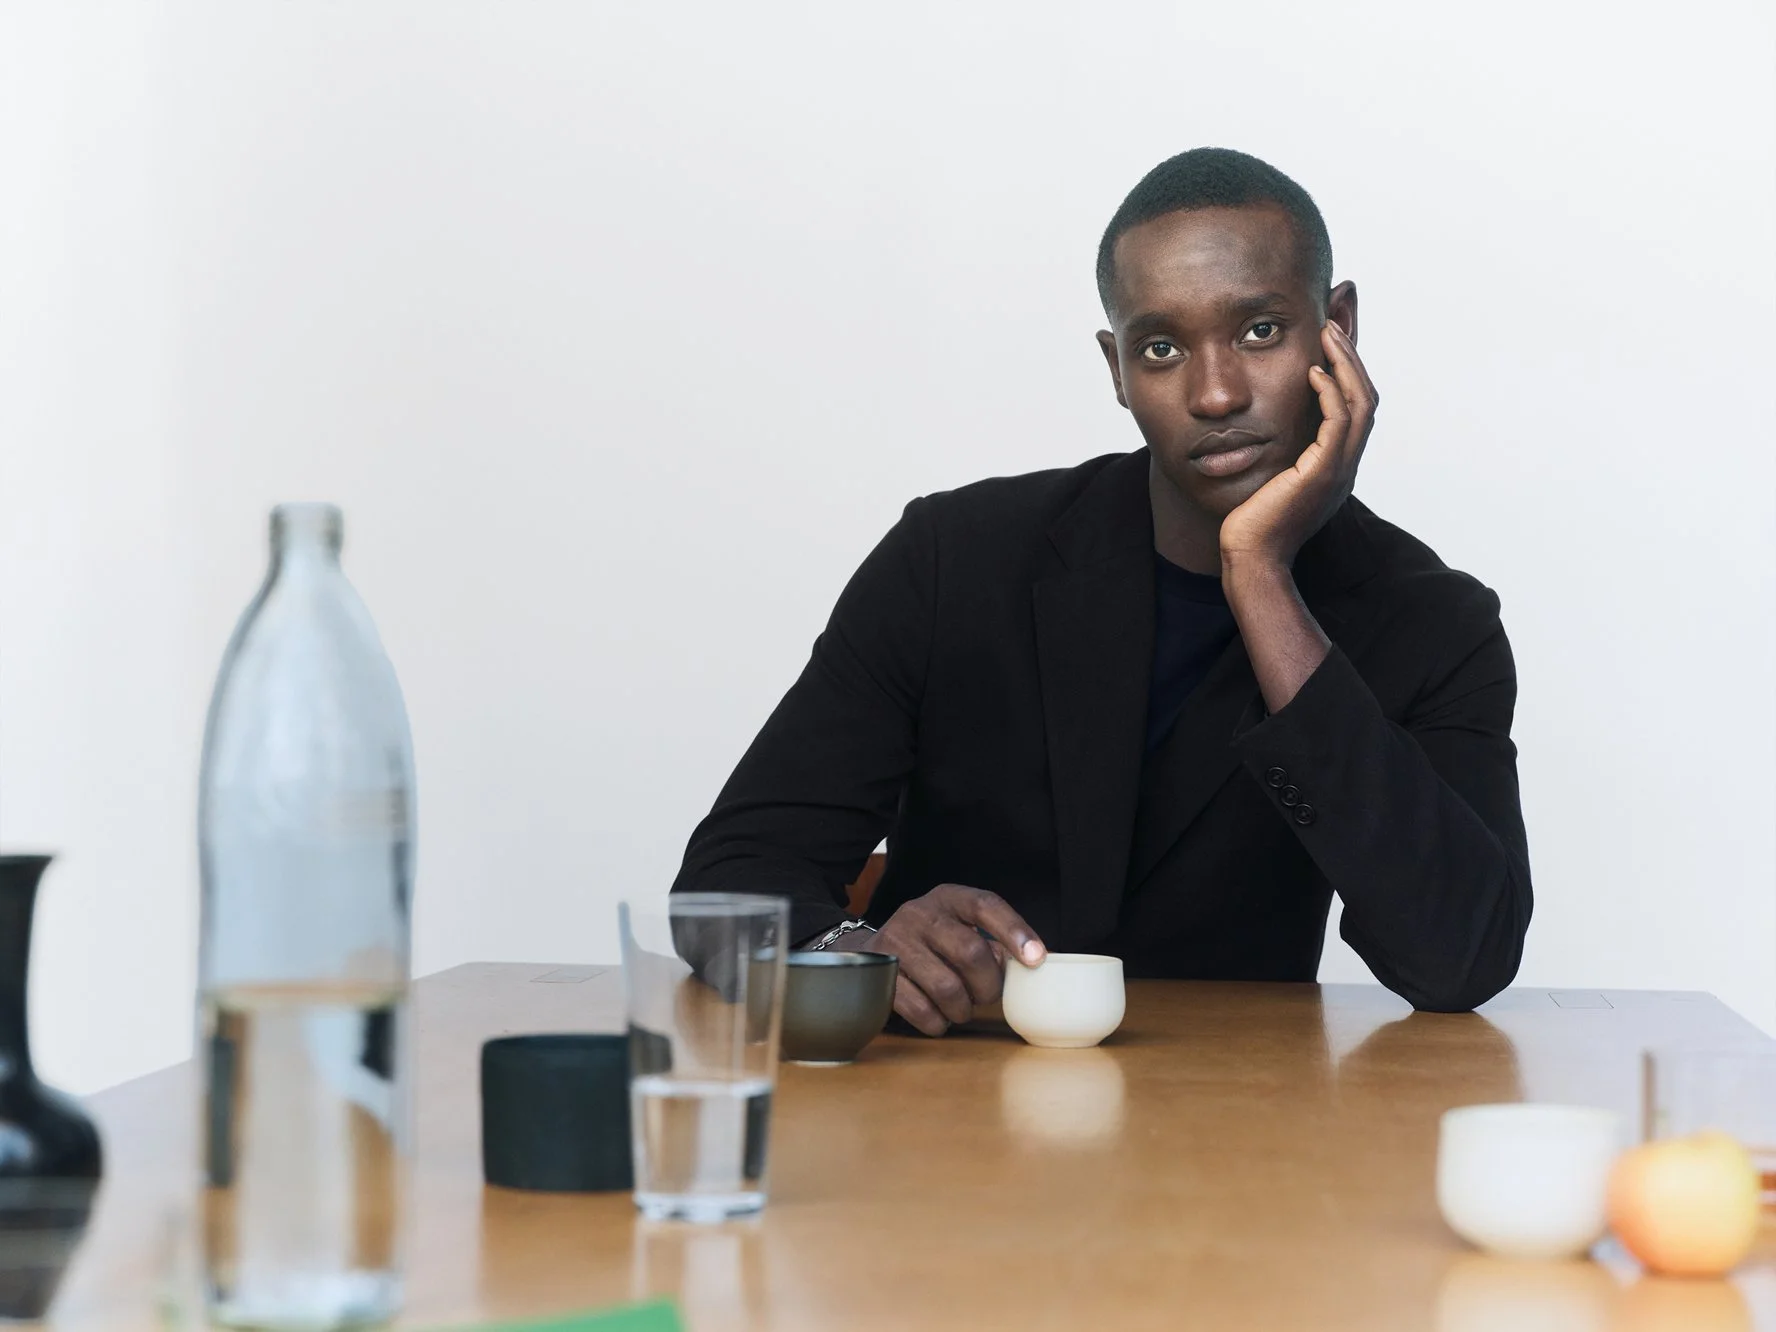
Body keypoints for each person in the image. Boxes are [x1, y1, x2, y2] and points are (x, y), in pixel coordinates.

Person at [672, 147, 1532, 1031]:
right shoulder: (953, 559)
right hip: (944, 1091)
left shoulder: (1433, 621)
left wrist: (1259, 574)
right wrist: (858, 952)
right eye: (1161, 348)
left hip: (1241, 1103)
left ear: (1337, 326)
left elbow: (1461, 957)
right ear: (1117, 369)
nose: (1215, 393)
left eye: (1259, 331)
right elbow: (728, 881)